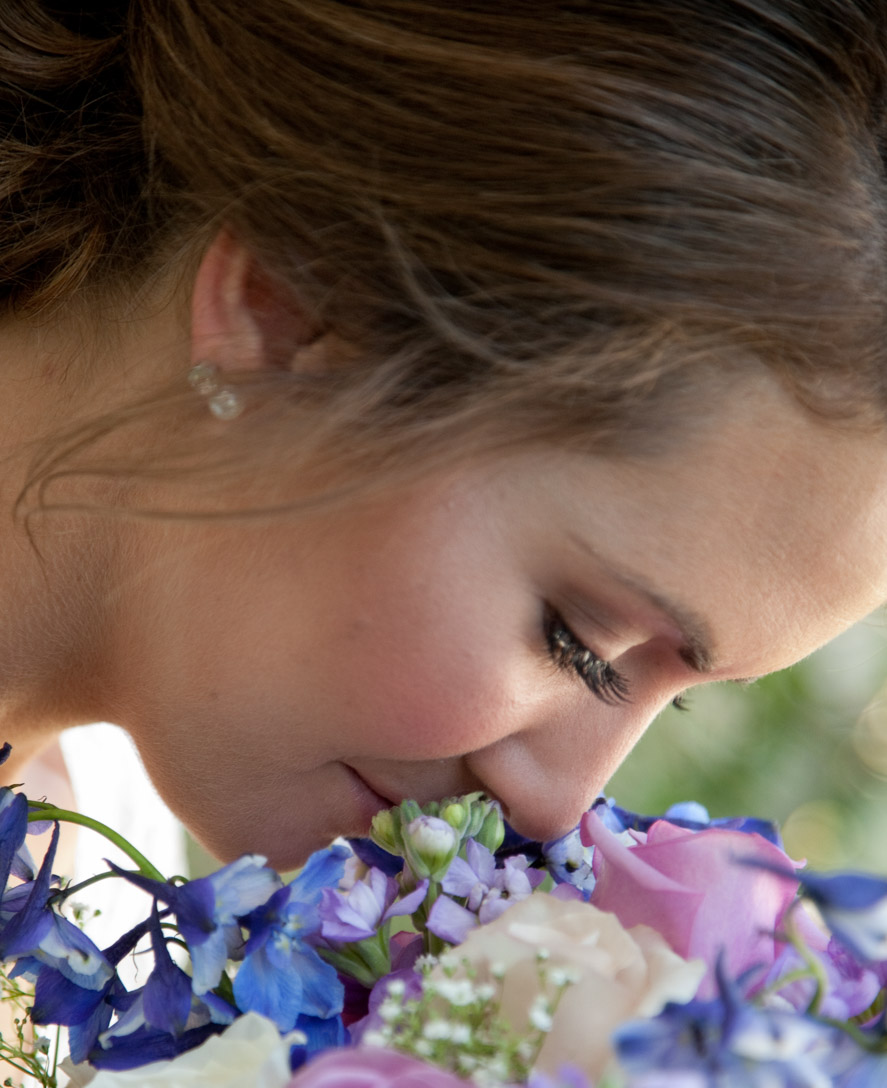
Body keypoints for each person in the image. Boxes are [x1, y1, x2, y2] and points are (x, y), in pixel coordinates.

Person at [0, 0, 886, 877]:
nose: (559, 807)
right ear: (291, 311)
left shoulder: (89, 880)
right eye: (577, 642)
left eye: (675, 702)